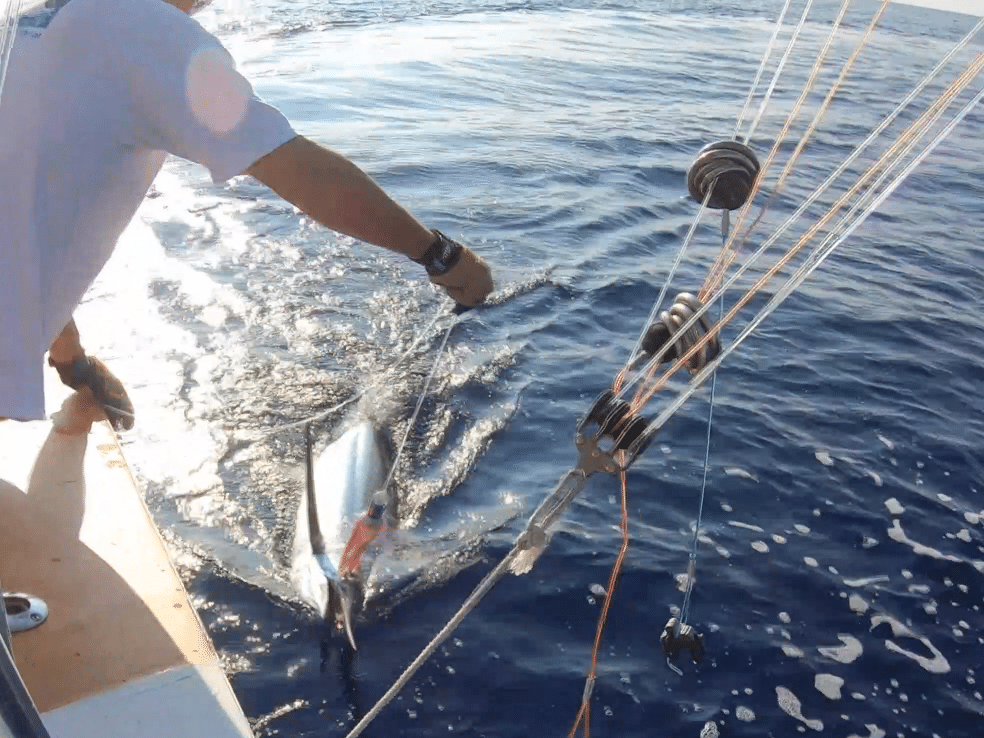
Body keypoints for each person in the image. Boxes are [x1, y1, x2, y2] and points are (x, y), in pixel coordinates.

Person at [0, 0, 494, 432]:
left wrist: (72, 362)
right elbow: (297, 168)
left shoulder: (24, 26)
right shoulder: (142, 27)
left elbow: (26, 213)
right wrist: (439, 255)